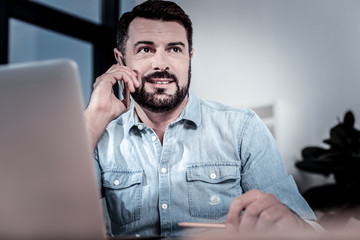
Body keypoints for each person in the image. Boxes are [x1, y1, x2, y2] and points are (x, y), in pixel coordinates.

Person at [84, 0, 318, 238]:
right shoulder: (100, 137)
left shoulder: (242, 129)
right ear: (120, 60)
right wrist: (95, 115)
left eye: (175, 49)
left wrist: (289, 224)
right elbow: (52, 216)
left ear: (190, 57)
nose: (161, 64)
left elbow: (310, 230)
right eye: (146, 49)